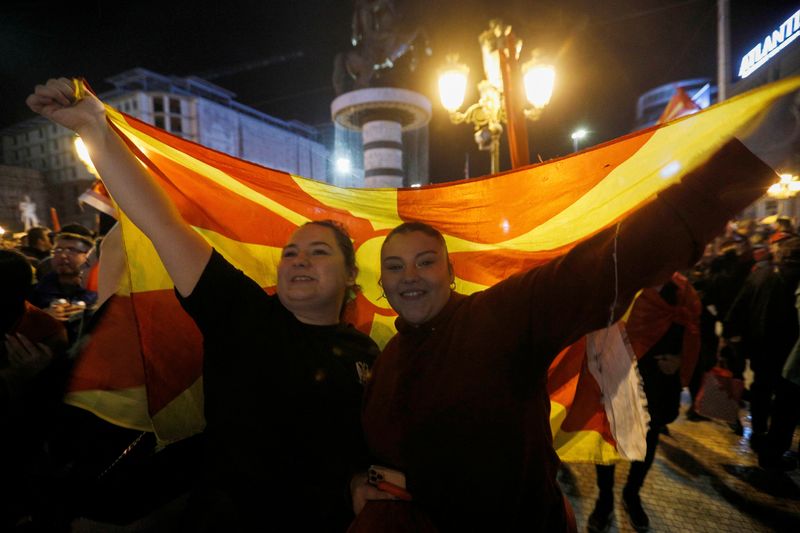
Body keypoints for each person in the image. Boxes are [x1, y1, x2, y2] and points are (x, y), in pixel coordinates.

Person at [27, 77, 391, 531]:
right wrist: (94, 129)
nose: (299, 260)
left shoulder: (367, 354)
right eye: (292, 253)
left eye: (319, 252)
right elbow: (162, 224)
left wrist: (361, 480)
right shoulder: (242, 313)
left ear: (350, 275)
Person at [362, 138, 777, 532]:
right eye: (395, 266)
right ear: (381, 281)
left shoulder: (498, 317)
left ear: (451, 274)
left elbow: (607, 266)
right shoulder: (390, 357)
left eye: (425, 262)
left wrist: (739, 170)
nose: (409, 277)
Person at [588, 273, 700, 533]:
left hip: (660, 382)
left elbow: (694, 332)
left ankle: (631, 494)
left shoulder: (683, 291)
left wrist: (680, 360)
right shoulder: (626, 283)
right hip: (620, 376)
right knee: (609, 437)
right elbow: (601, 327)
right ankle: (604, 500)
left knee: (649, 440)